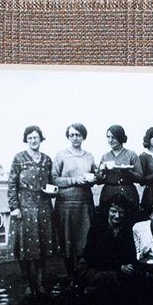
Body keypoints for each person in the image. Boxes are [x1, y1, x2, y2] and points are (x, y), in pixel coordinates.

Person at [7, 125, 57, 297]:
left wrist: (52, 191)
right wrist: (14, 207)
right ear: (26, 140)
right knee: (25, 248)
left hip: (43, 207)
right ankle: (28, 284)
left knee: (42, 247)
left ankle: (41, 283)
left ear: (41, 139)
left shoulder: (47, 160)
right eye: (30, 138)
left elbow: (51, 182)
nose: (33, 141)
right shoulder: (19, 159)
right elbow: (12, 184)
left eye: (36, 137)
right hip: (24, 208)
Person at [51, 122, 96, 286]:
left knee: (85, 242)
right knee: (68, 242)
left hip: (85, 203)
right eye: (72, 135)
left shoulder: (89, 156)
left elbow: (93, 177)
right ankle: (71, 277)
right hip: (66, 204)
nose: (75, 138)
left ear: (83, 136)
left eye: (78, 135)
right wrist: (75, 180)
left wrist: (95, 178)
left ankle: (83, 276)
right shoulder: (61, 155)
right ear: (68, 137)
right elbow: (54, 178)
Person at [74, 200, 136, 294]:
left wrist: (128, 266)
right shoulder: (97, 228)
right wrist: (120, 266)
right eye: (113, 211)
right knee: (111, 278)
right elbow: (93, 257)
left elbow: (129, 253)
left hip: (114, 267)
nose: (117, 216)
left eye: (121, 212)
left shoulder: (127, 229)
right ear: (107, 211)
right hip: (92, 267)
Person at [97, 124, 143, 218]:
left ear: (121, 138)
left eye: (113, 137)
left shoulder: (131, 155)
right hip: (108, 194)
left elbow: (140, 177)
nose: (110, 140)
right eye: (108, 137)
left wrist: (127, 172)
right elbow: (99, 180)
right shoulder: (105, 156)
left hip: (128, 194)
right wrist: (102, 171)